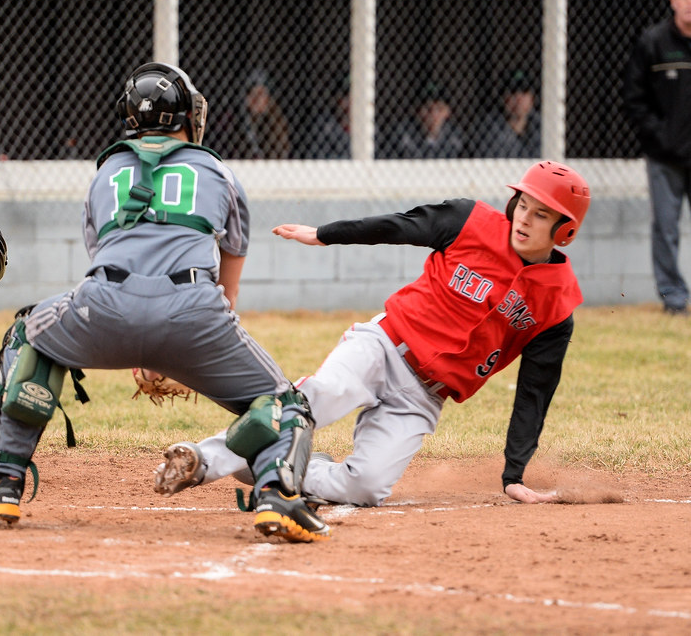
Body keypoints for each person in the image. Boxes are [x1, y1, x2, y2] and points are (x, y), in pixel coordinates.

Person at [0, 62, 329, 543]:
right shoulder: (218, 171)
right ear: (185, 118)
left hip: (104, 306)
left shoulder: (106, 171)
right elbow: (227, 294)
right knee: (285, 404)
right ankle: (278, 493)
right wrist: (170, 351)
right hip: (195, 314)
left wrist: (140, 344)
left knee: (26, 334)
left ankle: (0, 483)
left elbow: (106, 265)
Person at [154, 160, 590, 507]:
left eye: (543, 214)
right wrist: (324, 235)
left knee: (365, 488)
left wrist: (513, 474)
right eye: (524, 205)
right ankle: (202, 460)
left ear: (564, 231)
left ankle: (272, 463)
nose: (525, 219)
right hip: (382, 347)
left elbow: (535, 392)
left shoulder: (556, 305)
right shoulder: (469, 221)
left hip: (424, 397)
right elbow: (396, 225)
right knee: (317, 398)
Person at [622, 0, 691, 315]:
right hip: (664, 158)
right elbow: (633, 99)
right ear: (672, 0)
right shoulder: (653, 42)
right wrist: (659, 136)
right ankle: (674, 299)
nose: (690, 2)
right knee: (665, 228)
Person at [383, 81, 465, 159]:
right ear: (416, 111)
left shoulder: (457, 138)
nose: (433, 114)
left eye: (439, 109)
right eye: (427, 108)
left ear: (447, 112)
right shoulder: (400, 136)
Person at [225, 69, 293, 159]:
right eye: (251, 93)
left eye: (260, 93)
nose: (256, 99)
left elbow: (280, 152)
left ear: (268, 98)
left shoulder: (276, 120)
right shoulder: (233, 120)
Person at [473, 69, 541, 158]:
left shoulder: (541, 126)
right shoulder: (489, 127)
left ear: (532, 99)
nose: (518, 99)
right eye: (513, 92)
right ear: (504, 98)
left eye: (524, 92)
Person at [301, 74, 352, 159]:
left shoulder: (370, 128)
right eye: (345, 96)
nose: (349, 101)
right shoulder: (323, 124)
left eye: (354, 96)